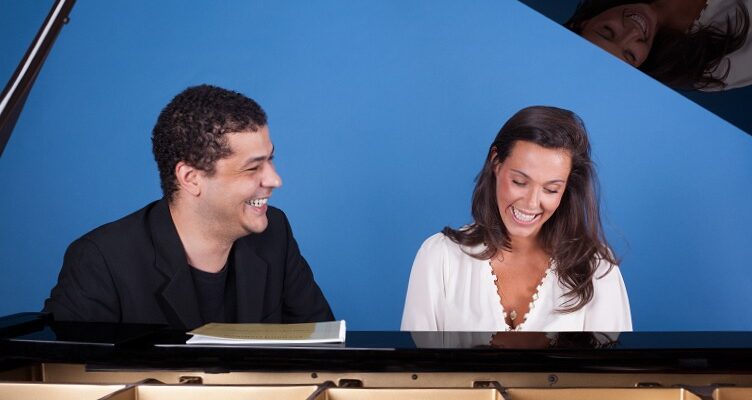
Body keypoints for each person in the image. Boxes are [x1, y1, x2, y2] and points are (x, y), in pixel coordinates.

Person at [44, 84, 334, 330]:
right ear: (191, 178)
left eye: (270, 160)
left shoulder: (275, 234)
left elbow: (324, 348)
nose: (275, 180)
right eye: (252, 168)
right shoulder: (100, 261)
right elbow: (64, 372)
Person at [401, 106, 631, 332]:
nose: (531, 203)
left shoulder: (596, 268)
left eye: (551, 189)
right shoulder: (440, 258)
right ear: (496, 162)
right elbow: (415, 356)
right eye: (519, 182)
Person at [566, 0, 751, 90]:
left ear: (583, 22)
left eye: (607, 31)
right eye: (630, 55)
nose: (633, 32)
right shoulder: (712, 67)